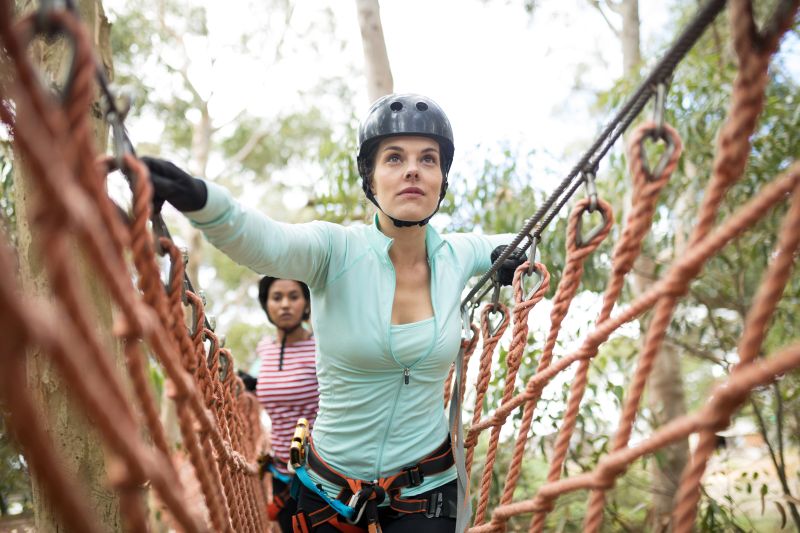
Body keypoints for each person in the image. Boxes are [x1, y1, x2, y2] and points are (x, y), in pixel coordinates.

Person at [143, 93, 520, 533]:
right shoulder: (334, 250)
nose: (413, 169)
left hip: (428, 490)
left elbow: (521, 238)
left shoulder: (459, 254)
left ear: (442, 179)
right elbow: (264, 241)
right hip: (330, 493)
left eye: (428, 159)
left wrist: (512, 255)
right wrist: (197, 196)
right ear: (371, 179)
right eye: (394, 158)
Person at [254, 276, 319, 533]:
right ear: (266, 304)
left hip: (322, 476)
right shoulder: (265, 349)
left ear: (306, 303)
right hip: (281, 474)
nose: (285, 305)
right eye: (276, 297)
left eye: (293, 296)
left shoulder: (322, 348)